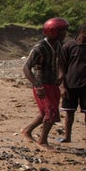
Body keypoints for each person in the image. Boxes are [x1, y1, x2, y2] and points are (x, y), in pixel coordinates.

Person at [21, 17, 69, 149]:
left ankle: (27, 131)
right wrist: (37, 85)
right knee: (51, 113)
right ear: (53, 31)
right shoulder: (40, 48)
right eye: (62, 31)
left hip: (53, 83)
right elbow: (26, 68)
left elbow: (59, 62)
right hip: (43, 84)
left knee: (45, 113)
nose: (65, 34)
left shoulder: (58, 45)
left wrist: (61, 74)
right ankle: (42, 140)